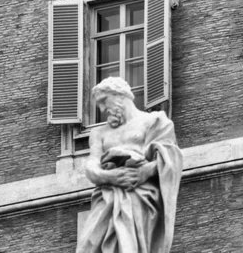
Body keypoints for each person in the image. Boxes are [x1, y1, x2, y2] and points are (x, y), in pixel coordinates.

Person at [76, 77, 183, 253]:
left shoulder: (153, 121)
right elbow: (91, 167)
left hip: (140, 194)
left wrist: (145, 172)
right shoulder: (99, 133)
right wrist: (111, 177)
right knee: (88, 244)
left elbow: (172, 158)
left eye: (104, 101)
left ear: (119, 95)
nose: (102, 109)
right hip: (108, 195)